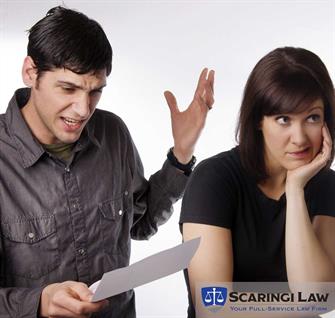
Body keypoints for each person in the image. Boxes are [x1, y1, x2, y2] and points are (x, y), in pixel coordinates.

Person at [0, 6, 214, 318]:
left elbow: (140, 223)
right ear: (31, 72)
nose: (83, 109)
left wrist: (182, 152)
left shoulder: (112, 133)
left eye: (95, 92)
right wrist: (40, 303)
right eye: (68, 88)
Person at [180, 47, 335, 317]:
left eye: (312, 117)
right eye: (283, 119)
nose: (299, 138)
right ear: (258, 122)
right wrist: (300, 302)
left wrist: (295, 190)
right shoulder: (214, 179)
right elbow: (213, 305)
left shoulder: (327, 186)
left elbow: (321, 294)